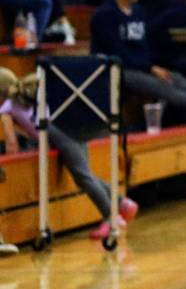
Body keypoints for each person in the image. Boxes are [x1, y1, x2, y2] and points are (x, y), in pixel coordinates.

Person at [0, 68, 139, 241]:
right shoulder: (24, 97)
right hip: (71, 127)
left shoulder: (6, 107)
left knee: (83, 177)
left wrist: (11, 162)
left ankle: (111, 218)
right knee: (85, 173)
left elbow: (11, 143)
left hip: (59, 133)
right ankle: (122, 204)